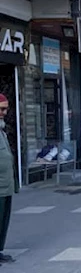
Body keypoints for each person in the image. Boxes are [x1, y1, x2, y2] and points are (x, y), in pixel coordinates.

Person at [0, 93, 17, 263]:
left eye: (6, 109)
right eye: (1, 109)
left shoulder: (2, 129)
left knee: (3, 220)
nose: (4, 112)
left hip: (5, 185)